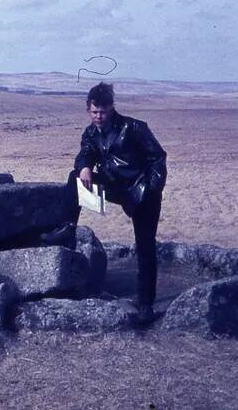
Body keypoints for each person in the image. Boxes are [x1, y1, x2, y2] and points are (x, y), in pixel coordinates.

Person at [71, 82, 167, 325]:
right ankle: (66, 227)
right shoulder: (91, 133)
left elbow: (157, 158)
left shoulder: (133, 128)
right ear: (87, 109)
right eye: (94, 112)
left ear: (112, 108)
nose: (99, 117)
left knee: (145, 246)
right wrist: (83, 167)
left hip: (141, 191)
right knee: (73, 180)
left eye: (103, 111)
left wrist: (151, 190)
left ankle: (146, 303)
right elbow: (86, 153)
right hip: (114, 185)